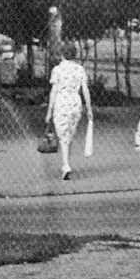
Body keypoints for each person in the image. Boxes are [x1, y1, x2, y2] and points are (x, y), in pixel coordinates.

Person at [44, 40, 93, 180]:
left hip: (61, 102)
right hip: (75, 102)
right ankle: (66, 163)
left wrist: (49, 111)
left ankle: (66, 165)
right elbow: (85, 89)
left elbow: (53, 92)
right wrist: (88, 108)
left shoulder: (57, 70)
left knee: (62, 136)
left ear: (61, 55)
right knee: (69, 136)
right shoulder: (80, 69)